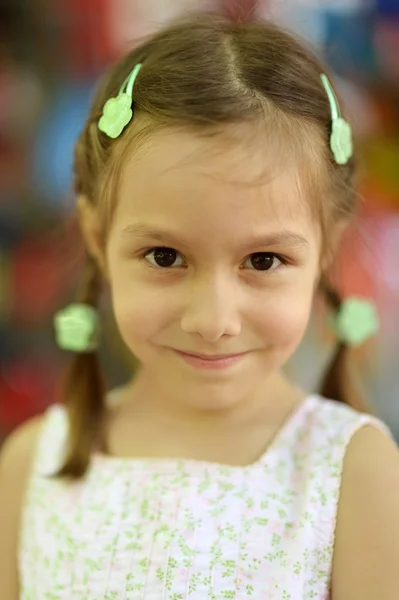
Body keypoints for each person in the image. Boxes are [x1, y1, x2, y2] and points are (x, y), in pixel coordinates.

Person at [1, 13, 399, 600]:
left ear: (326, 253)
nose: (213, 321)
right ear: (96, 238)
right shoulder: (32, 465)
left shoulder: (355, 474)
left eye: (262, 261)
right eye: (165, 256)